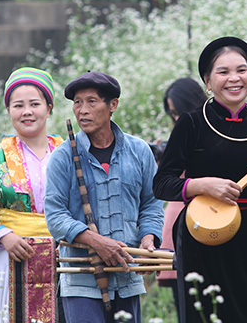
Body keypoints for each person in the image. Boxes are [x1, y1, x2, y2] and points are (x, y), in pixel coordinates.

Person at [153, 36, 247, 323]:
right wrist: (202, 185)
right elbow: (162, 183)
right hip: (204, 235)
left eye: (242, 70)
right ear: (207, 81)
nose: (234, 78)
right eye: (223, 72)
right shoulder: (190, 123)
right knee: (209, 314)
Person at [44, 71, 164, 323]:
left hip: (126, 274)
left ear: (113, 105)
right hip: (81, 278)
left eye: (92, 101)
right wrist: (97, 242)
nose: (82, 110)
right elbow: (55, 216)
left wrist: (148, 239)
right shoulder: (62, 156)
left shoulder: (140, 151)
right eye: (77, 102)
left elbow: (151, 203)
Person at [0, 67, 63, 323]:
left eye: (35, 104)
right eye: (18, 105)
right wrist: (3, 236)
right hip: (6, 257)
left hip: (62, 257)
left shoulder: (68, 153)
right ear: (8, 110)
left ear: (49, 107)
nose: (27, 111)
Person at [156, 78, 207, 321]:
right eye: (173, 114)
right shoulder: (179, 136)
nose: (177, 120)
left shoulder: (208, 133)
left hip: (206, 223)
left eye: (179, 112)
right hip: (176, 228)